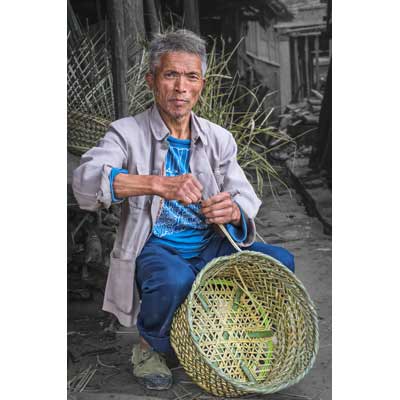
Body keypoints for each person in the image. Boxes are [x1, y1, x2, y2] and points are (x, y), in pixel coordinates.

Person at [73, 29, 294, 391]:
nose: (181, 87)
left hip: (211, 242)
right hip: (159, 245)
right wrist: (158, 184)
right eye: (170, 75)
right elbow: (85, 181)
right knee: (174, 279)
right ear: (152, 80)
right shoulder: (125, 133)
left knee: (279, 262)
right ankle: (149, 348)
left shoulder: (218, 137)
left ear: (201, 84)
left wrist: (232, 211)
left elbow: (244, 196)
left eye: (191, 76)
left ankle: (224, 336)